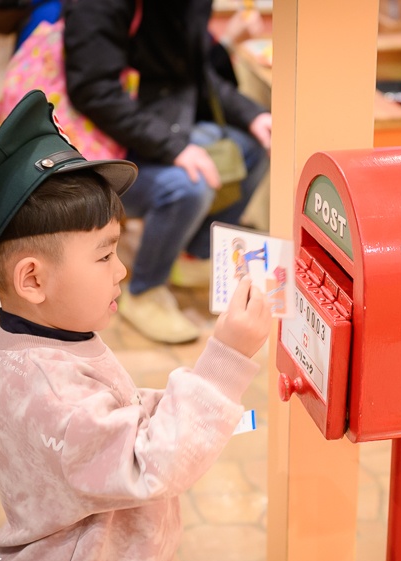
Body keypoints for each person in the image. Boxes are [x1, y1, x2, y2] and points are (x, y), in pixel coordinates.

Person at [0, 90, 271, 561]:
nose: (122, 269)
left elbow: (110, 419)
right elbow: (148, 464)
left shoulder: (41, 338)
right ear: (33, 280)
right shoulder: (50, 388)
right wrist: (225, 359)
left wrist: (168, 405)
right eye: (104, 255)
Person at [64, 0, 272, 344]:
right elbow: (94, 91)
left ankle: (190, 256)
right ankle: (144, 291)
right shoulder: (98, 7)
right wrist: (174, 148)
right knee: (188, 185)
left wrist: (252, 114)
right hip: (96, 148)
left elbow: (197, 74)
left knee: (249, 150)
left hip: (155, 122)